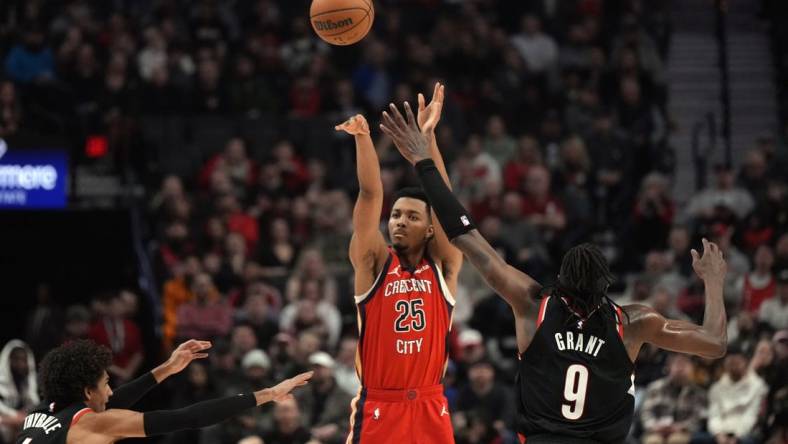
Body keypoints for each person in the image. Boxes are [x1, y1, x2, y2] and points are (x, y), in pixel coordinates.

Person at [380, 101, 728, 444]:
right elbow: (714, 344)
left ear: (561, 280)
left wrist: (423, 160)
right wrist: (713, 282)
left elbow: (464, 234)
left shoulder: (534, 305)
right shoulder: (633, 322)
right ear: (605, 285)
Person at [334, 82, 463, 443]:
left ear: (430, 229)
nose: (399, 221)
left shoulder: (444, 264)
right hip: (380, 407)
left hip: (429, 404)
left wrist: (428, 140)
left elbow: (445, 200)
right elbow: (370, 194)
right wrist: (362, 137)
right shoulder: (373, 261)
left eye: (411, 217)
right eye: (395, 215)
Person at [14, 339, 311, 444]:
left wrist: (168, 367)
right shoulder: (92, 424)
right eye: (106, 382)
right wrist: (268, 394)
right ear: (87, 391)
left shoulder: (40, 413)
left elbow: (113, 400)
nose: (110, 389)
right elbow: (188, 417)